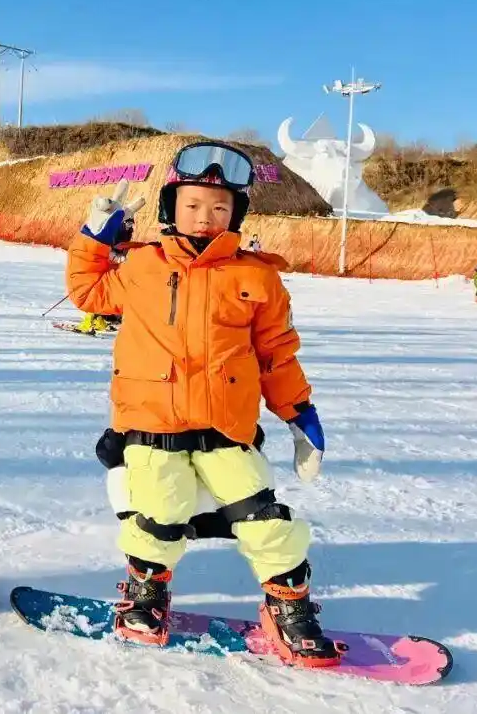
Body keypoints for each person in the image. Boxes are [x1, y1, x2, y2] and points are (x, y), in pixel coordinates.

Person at [66, 142, 340, 668]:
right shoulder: (142, 264)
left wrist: (299, 414)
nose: (206, 218)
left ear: (236, 214)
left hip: (226, 426)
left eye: (220, 208)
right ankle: (147, 592)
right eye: (192, 206)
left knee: (264, 518)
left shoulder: (257, 276)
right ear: (171, 208)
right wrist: (95, 236)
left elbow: (275, 354)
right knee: (158, 516)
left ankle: (288, 604)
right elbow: (88, 293)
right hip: (150, 424)